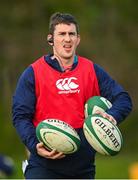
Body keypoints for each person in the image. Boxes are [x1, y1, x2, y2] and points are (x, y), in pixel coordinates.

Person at [12, 12, 132, 179]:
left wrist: (110, 117)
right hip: (44, 165)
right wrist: (34, 145)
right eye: (61, 34)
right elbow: (20, 116)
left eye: (71, 34)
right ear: (50, 39)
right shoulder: (33, 72)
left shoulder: (91, 70)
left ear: (78, 39)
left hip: (82, 167)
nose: (67, 39)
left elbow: (123, 99)